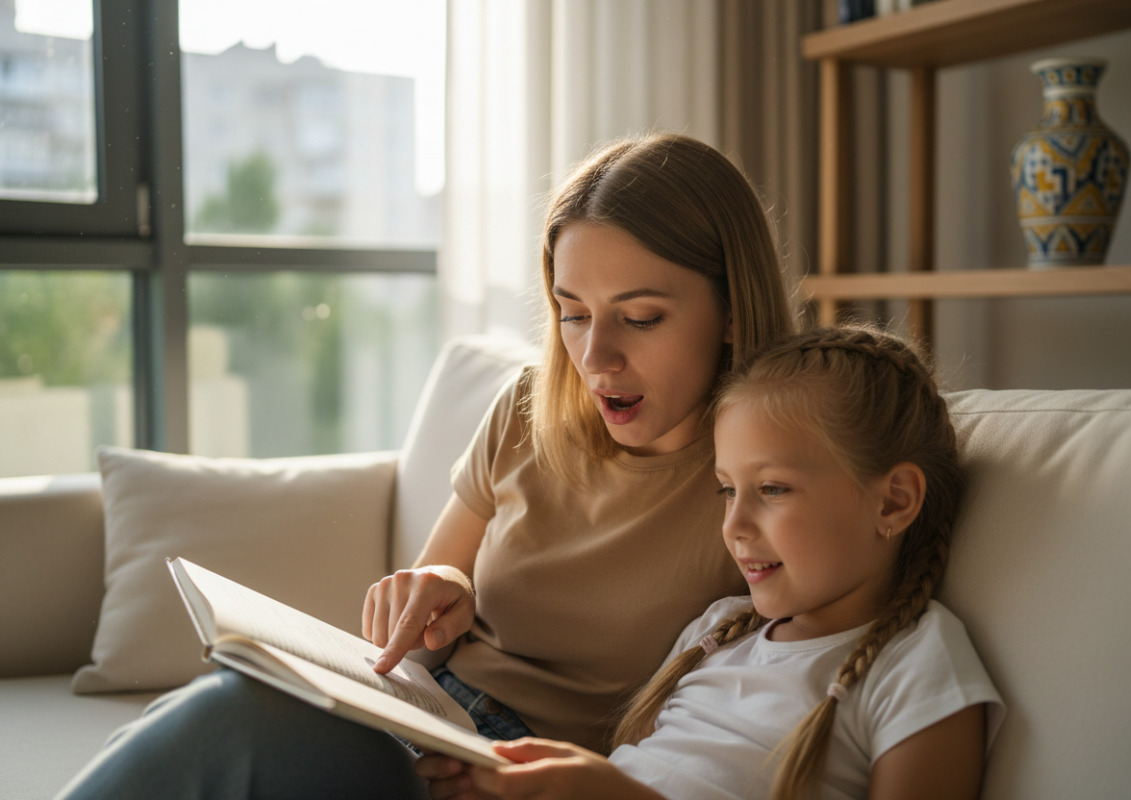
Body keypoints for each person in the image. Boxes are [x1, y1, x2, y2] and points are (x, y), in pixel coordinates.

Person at [55, 133, 796, 799]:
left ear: (733, 309)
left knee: (231, 723)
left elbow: (774, 711)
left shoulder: (773, 482)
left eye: (640, 318)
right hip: (426, 719)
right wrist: (442, 587)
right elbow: (432, 600)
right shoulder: (526, 411)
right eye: (572, 313)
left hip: (524, 777)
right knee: (226, 708)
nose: (595, 358)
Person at [416, 326, 1005, 800]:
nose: (734, 525)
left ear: (894, 501)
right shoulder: (717, 632)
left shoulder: (918, 668)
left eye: (772, 489)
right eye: (727, 490)